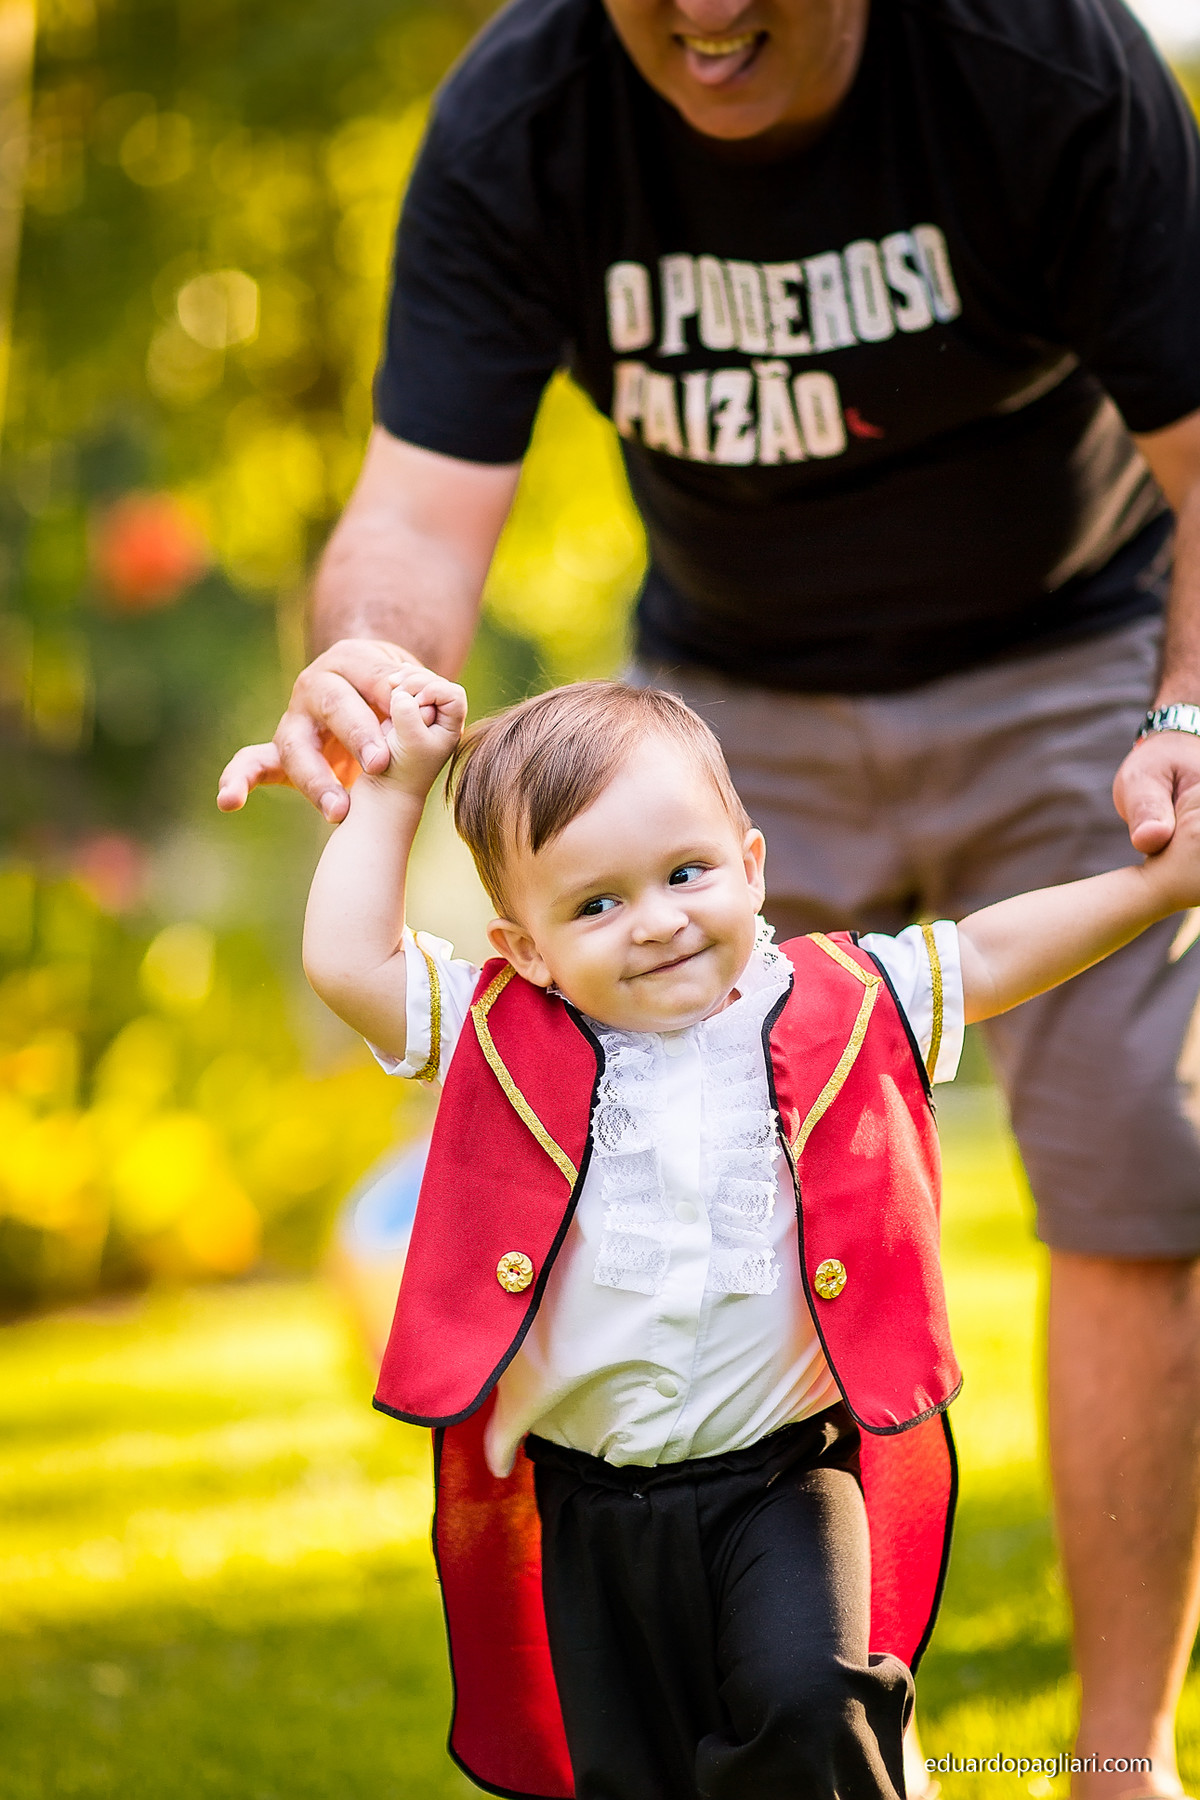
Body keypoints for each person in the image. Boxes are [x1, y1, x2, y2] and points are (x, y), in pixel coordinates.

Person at [218, 1, 1200, 1788]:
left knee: (1141, 1159)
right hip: (723, 702)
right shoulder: (524, 113)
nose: (704, 11)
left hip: (1073, 647)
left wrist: (1188, 736)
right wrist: (374, 684)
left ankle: (1124, 1761)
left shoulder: (1042, 62)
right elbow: (416, 523)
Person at [302, 670, 1200, 1800]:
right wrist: (393, 794)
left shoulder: (844, 995)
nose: (657, 920)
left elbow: (987, 954)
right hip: (594, 1509)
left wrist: (1160, 886)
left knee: (811, 1699)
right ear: (525, 947)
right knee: (638, 1774)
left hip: (785, 1478)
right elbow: (351, 964)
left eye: (687, 873)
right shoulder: (497, 1025)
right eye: (596, 905)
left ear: (752, 865)